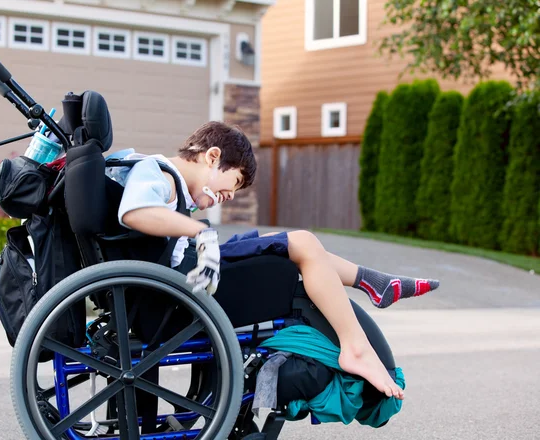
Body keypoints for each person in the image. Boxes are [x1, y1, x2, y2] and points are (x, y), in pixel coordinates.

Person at [107, 121, 440, 400]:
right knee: (302, 243)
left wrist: (199, 234)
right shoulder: (158, 173)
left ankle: (374, 282)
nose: (230, 196)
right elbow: (134, 212)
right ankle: (356, 341)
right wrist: (200, 232)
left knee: (284, 244)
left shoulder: (170, 183)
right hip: (175, 298)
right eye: (234, 182)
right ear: (212, 157)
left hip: (177, 285)